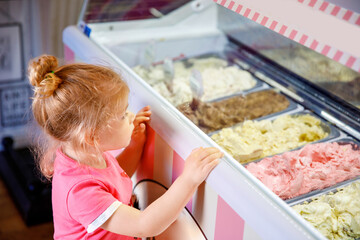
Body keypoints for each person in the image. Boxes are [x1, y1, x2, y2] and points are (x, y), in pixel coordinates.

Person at [28, 55, 223, 239]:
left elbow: (114, 182)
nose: (130, 115)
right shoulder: (81, 191)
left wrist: (134, 146)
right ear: (92, 135)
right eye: (122, 115)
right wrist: (189, 179)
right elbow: (144, 224)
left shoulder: (82, 153)